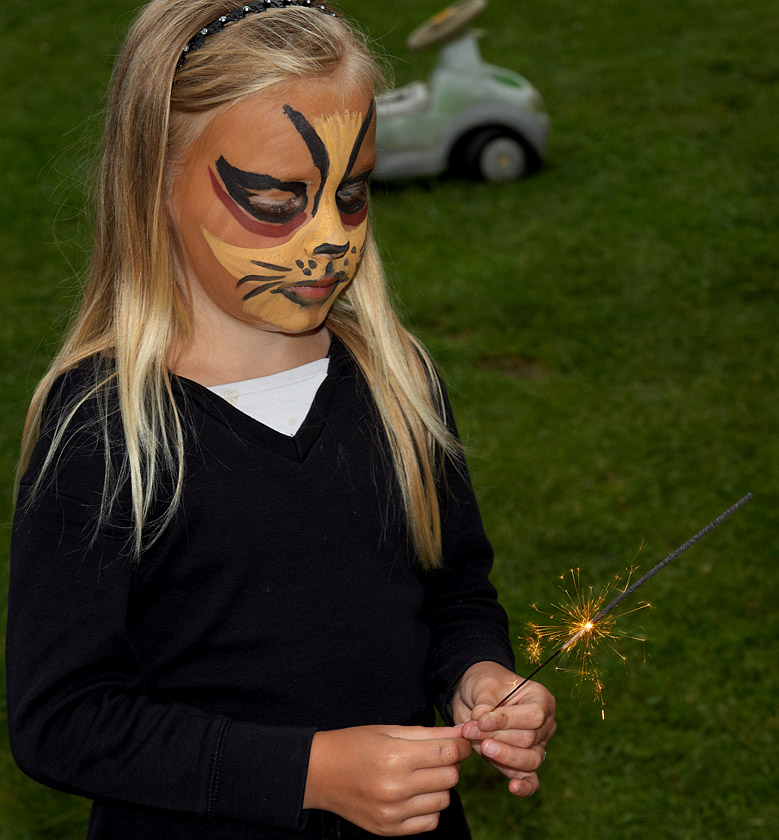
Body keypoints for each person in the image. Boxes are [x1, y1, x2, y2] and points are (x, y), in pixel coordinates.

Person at [6, 1, 556, 838]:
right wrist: (310, 774)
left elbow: (454, 591)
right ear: (153, 181)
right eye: (274, 198)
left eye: (352, 193)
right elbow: (63, 719)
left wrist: (476, 675)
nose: (330, 238)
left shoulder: (396, 383)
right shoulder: (105, 431)